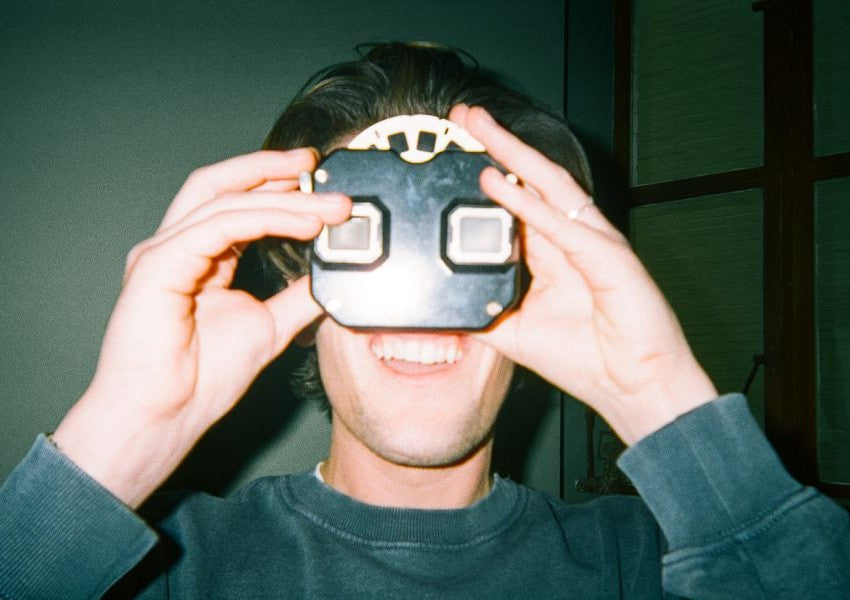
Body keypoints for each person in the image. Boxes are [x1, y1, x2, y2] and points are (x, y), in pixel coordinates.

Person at [1, 42, 848, 599]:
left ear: (527, 273)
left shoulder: (655, 561)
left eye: (469, 239)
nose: (422, 309)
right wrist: (123, 434)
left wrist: (660, 398)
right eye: (362, 236)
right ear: (304, 275)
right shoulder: (160, 568)